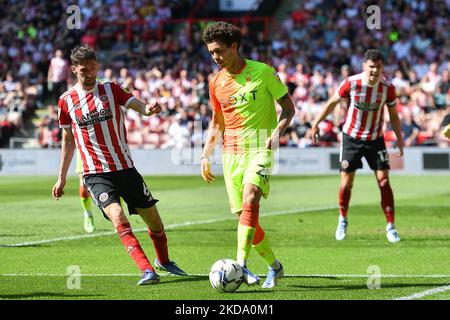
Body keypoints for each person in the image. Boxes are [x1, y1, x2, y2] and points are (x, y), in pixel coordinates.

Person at [51, 45, 187, 285]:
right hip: (95, 173)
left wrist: (149, 109)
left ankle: (163, 261)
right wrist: (61, 177)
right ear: (74, 70)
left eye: (93, 68)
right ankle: (147, 270)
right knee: (117, 215)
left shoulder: (111, 90)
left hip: (125, 168)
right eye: (84, 70)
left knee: (155, 222)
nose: (90, 73)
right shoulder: (66, 101)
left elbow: (137, 105)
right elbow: (68, 140)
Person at [200, 22, 295, 288]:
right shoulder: (216, 83)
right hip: (231, 155)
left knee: (252, 197)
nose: (216, 57)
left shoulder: (262, 72)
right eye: (211, 53)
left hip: (259, 150)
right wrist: (205, 155)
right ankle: (275, 267)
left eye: (219, 50)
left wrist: (278, 131)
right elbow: (217, 122)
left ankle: (240, 266)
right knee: (246, 217)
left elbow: (289, 109)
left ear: (234, 46)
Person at [311, 49, 404, 243]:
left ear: (382, 67)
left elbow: (394, 115)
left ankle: (390, 226)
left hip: (375, 139)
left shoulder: (388, 88)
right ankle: (343, 219)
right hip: (351, 137)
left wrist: (399, 137)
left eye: (378, 67)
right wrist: (316, 122)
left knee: (384, 181)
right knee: (346, 183)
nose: (374, 71)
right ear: (364, 66)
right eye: (371, 67)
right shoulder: (351, 83)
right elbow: (332, 102)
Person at [76, 150, 95, 233]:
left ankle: (118, 216)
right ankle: (88, 214)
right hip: (83, 151)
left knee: (115, 185)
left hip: (104, 150)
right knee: (84, 188)